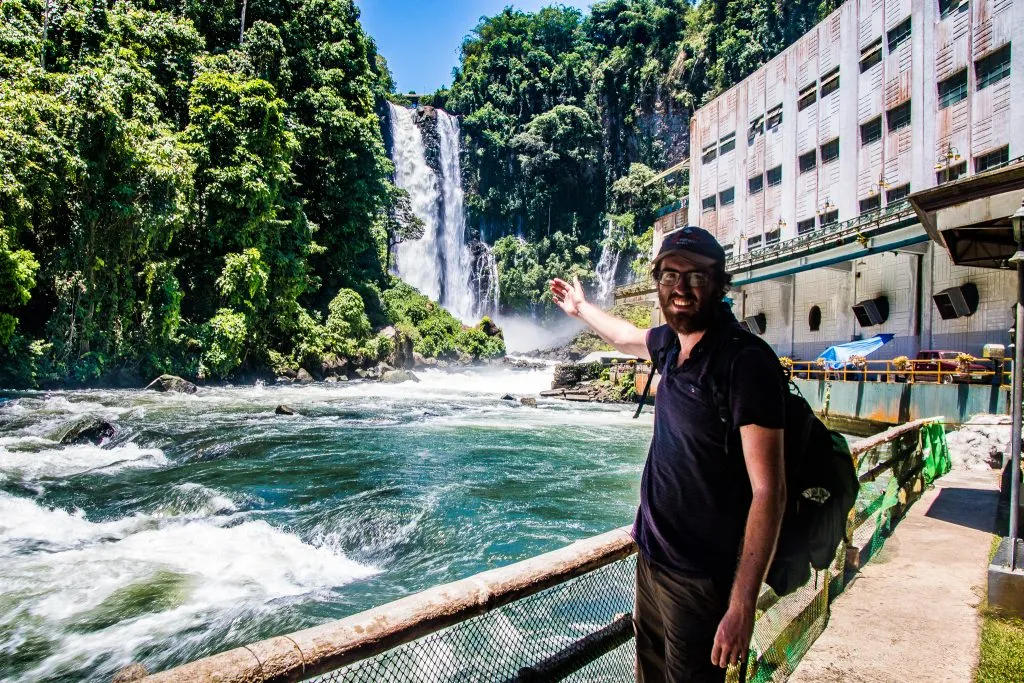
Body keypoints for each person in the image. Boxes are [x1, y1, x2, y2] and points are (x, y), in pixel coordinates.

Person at [550, 226, 787, 682]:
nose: (680, 288)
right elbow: (625, 337)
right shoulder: (670, 344)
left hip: (702, 579)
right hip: (653, 561)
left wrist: (741, 606)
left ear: (720, 283)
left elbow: (769, 490)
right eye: (669, 275)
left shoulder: (745, 363)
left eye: (695, 277)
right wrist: (580, 309)